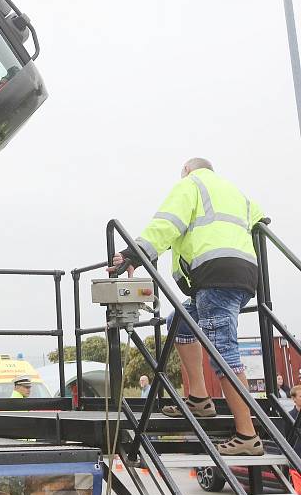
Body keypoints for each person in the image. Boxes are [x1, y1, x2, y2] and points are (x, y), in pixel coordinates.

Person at [109, 158, 265, 456]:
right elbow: (260, 220)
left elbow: (167, 225)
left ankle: (247, 434)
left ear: (187, 170)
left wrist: (134, 253)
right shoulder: (235, 191)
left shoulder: (191, 185)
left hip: (214, 273)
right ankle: (199, 398)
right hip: (245, 273)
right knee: (179, 323)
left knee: (223, 350)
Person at [288, 385, 301, 495]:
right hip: (296, 460)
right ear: (294, 399)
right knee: (300, 494)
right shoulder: (289, 416)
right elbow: (287, 438)